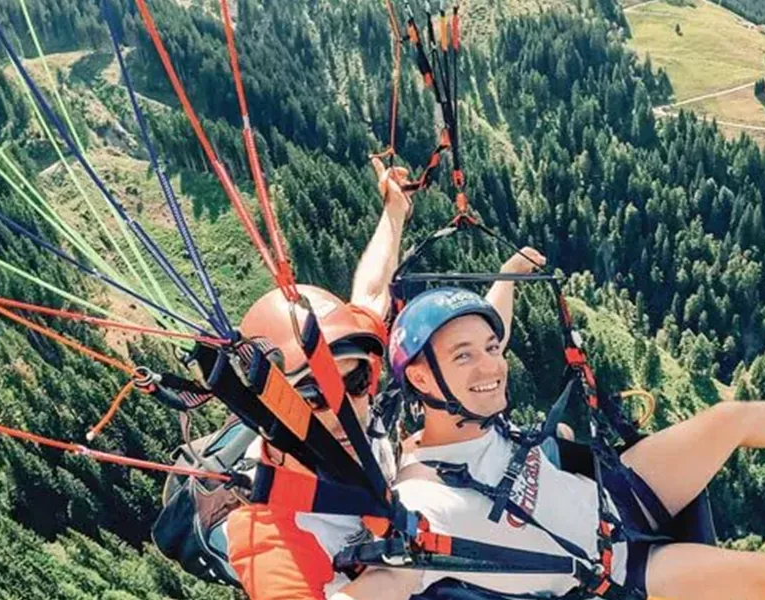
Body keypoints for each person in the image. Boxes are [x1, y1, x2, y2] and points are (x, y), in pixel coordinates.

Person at [330, 287, 765, 600]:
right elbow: (376, 589)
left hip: (605, 491)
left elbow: (490, 319)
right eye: (465, 356)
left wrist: (505, 273)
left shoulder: (464, 402)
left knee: (728, 419)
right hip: (609, 569)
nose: (492, 366)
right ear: (420, 375)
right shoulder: (420, 504)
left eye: (492, 349)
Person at [224, 156, 546, 600]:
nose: (346, 408)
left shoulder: (346, 351)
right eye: (313, 396)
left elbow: (372, 293)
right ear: (268, 408)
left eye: (355, 383)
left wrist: (394, 212)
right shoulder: (268, 536)